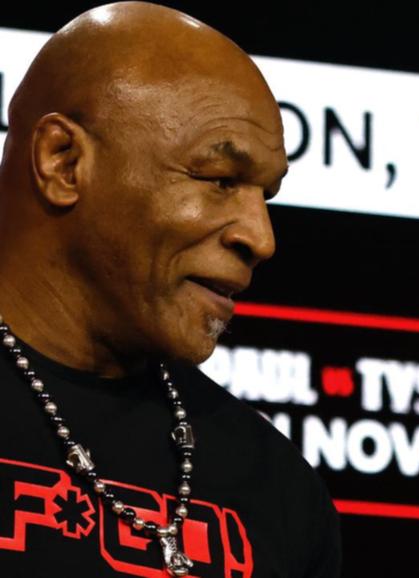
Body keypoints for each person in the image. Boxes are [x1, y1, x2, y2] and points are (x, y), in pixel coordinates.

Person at [0, 3, 340, 577]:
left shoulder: (277, 489)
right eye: (218, 180)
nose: (261, 238)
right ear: (63, 163)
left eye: (266, 195)